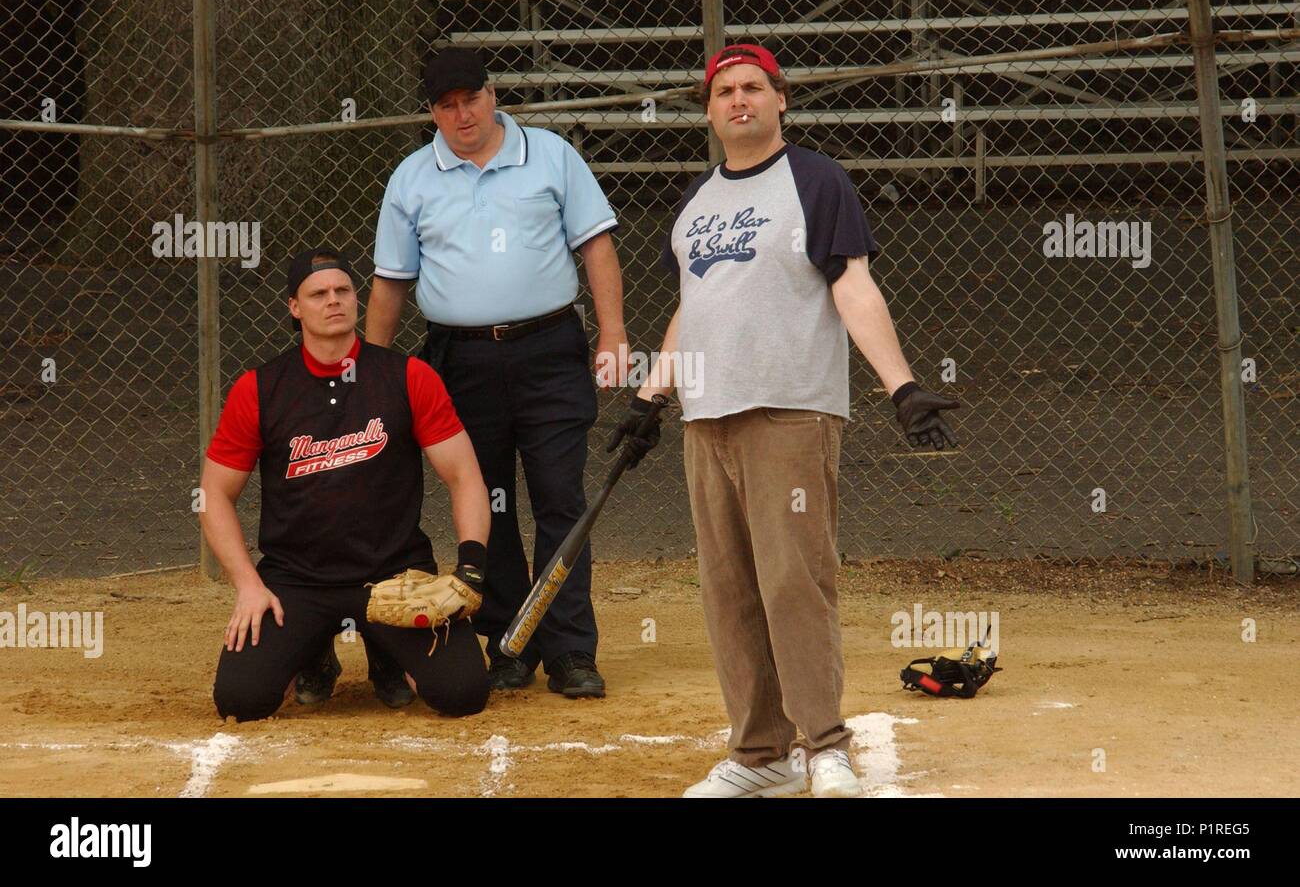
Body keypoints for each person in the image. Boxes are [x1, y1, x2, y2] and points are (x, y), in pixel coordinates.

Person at [618, 44, 961, 797]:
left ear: (781, 101)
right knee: (728, 587)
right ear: (708, 111)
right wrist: (651, 396)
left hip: (788, 412)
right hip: (707, 419)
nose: (738, 100)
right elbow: (693, 306)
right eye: (724, 91)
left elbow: (853, 284)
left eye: (753, 88)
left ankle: (823, 744)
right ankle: (759, 752)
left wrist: (900, 386)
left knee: (793, 582)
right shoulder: (695, 198)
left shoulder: (816, 179)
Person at [364, 47, 630, 698]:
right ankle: (511, 641)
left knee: (560, 499)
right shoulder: (412, 178)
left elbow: (596, 244)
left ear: (493, 94)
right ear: (431, 111)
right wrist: (370, 370)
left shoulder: (549, 155)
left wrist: (614, 332)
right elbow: (390, 284)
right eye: (445, 106)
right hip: (460, 358)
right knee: (487, 502)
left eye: (471, 99)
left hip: (549, 349)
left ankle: (571, 649)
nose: (461, 115)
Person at [201, 247, 492, 721]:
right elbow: (213, 494)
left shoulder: (407, 376)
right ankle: (312, 649)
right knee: (241, 701)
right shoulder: (259, 388)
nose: (333, 301)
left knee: (462, 694)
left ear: (356, 301)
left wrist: (471, 565)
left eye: (343, 291)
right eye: (318, 294)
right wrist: (248, 585)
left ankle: (386, 652)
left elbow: (464, 475)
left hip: (394, 575)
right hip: (297, 578)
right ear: (295, 308)